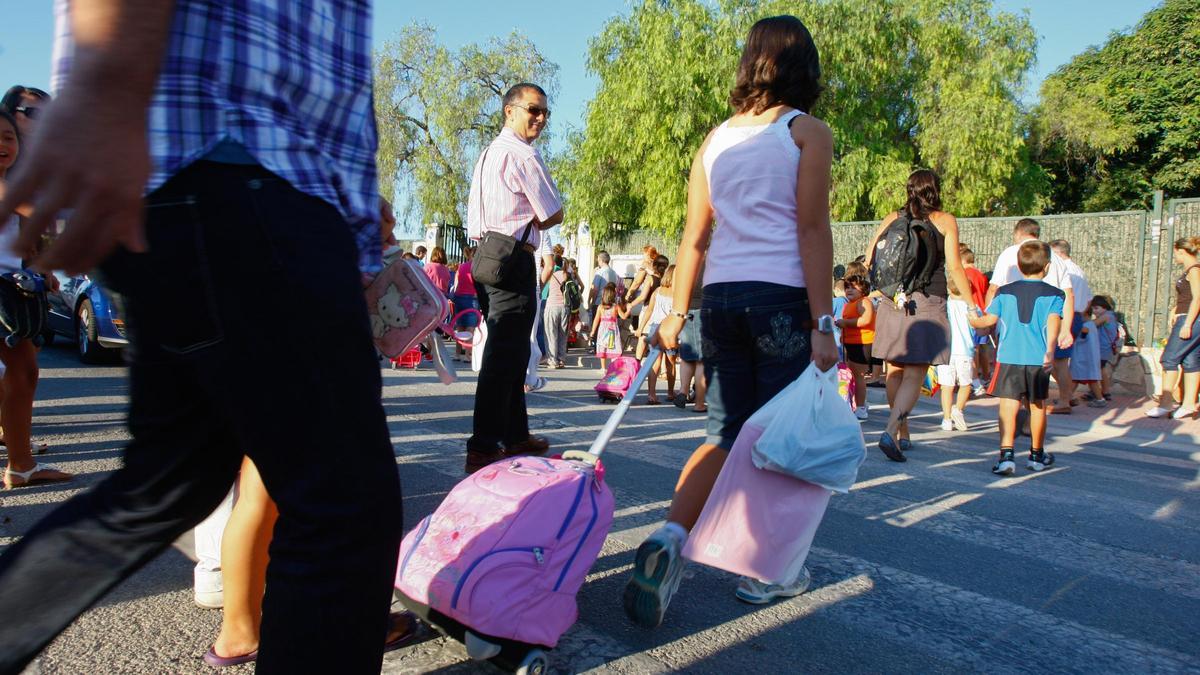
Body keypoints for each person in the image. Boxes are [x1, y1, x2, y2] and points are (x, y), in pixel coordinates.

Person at [0, 3, 405, 672]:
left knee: (167, 482)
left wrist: (350, 205)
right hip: (237, 167)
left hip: (210, 182)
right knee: (342, 506)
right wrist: (108, 83)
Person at [623, 15, 836, 626]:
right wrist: (824, 322)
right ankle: (773, 573)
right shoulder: (806, 133)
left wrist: (673, 312)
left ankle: (668, 537)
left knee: (723, 432)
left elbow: (693, 238)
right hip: (782, 300)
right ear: (804, 67)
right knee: (781, 436)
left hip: (719, 300)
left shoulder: (715, 140)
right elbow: (812, 229)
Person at [464, 82, 561, 473]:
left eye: (544, 113)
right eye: (533, 110)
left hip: (486, 254)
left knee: (510, 349)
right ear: (510, 111)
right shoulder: (522, 154)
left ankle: (516, 434)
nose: (539, 118)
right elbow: (553, 212)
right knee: (505, 354)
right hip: (513, 257)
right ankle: (484, 444)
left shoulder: (488, 154)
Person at [865, 169, 976, 462]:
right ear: (935, 190)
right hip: (927, 301)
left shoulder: (892, 218)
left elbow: (869, 259)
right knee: (915, 372)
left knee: (894, 370)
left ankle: (903, 433)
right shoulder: (944, 220)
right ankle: (891, 430)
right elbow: (954, 267)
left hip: (892, 301)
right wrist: (971, 303)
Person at [0, 111, 69, 489]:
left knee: (24, 373)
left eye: (9, 137)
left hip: (10, 288)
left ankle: (21, 466)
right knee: (22, 372)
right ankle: (20, 466)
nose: (4, 144)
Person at [969, 241, 1064, 475]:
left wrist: (972, 315)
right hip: (1038, 359)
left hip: (1009, 357)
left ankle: (1006, 457)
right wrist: (1050, 351)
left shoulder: (1004, 291)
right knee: (1037, 406)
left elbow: (987, 322)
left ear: (1019, 266)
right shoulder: (1055, 294)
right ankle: (1036, 456)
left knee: (1008, 407)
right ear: (1048, 266)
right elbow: (1053, 325)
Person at [987, 220, 1075, 412]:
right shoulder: (1055, 257)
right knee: (1048, 368)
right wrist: (1066, 328)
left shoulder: (1011, 253)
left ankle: (1009, 434)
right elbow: (1068, 293)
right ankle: (1060, 403)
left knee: (1012, 382)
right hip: (1046, 324)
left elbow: (994, 287)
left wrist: (989, 319)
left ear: (1018, 232)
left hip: (1014, 326)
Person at [1146, 236, 1200, 419]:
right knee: (1191, 361)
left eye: (1175, 252)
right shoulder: (1191, 270)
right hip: (1189, 318)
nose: (1174, 256)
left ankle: (1166, 403)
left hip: (1191, 320)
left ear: (1181, 251)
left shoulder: (1194, 270)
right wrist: (1174, 310)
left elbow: (1198, 297)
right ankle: (1189, 404)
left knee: (1169, 359)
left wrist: (1187, 323)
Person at [1047, 239, 1092, 413]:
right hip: (1077, 316)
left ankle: (1065, 400)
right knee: (1059, 361)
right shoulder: (1079, 270)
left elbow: (1065, 295)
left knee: (1058, 362)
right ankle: (1068, 396)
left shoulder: (1062, 269)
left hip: (1065, 317)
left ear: (1058, 252)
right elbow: (1088, 299)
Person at [936, 277, 976, 432]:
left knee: (947, 386)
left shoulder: (945, 306)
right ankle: (958, 408)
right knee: (966, 384)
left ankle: (946, 419)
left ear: (949, 289)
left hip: (945, 350)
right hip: (965, 350)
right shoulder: (971, 307)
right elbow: (979, 327)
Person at [836, 274, 874, 421]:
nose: (849, 289)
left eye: (853, 286)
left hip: (862, 342)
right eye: (847, 287)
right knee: (851, 375)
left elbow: (866, 319)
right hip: (850, 343)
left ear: (863, 288)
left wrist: (845, 323)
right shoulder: (848, 304)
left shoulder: (864, 302)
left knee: (858, 376)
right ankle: (855, 404)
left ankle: (861, 407)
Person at [674, 261, 707, 413]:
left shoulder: (684, 263)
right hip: (703, 310)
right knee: (701, 360)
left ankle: (683, 391)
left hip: (684, 312)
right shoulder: (712, 263)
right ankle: (699, 403)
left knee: (687, 356)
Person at [643, 264, 677, 404]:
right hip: (669, 329)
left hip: (654, 327)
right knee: (670, 363)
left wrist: (641, 327)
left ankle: (652, 394)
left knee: (654, 363)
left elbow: (649, 310)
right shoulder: (677, 294)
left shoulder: (657, 291)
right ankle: (670, 392)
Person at [960, 245, 992, 392]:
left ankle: (974, 379)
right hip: (982, 312)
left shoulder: (965, 274)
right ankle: (985, 376)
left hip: (971, 312)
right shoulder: (981, 275)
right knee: (982, 347)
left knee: (972, 349)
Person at [630, 255, 666, 360]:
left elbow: (643, 296)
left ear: (654, 265)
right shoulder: (664, 280)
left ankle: (637, 362)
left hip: (648, 309)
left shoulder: (651, 278)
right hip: (660, 311)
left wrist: (631, 304)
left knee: (643, 337)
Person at [591, 283, 630, 372]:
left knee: (603, 347)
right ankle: (614, 366)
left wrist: (593, 331)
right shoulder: (615, 307)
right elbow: (623, 317)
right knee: (613, 347)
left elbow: (596, 320)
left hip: (602, 331)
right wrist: (628, 310)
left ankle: (603, 367)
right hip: (612, 331)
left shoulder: (600, 307)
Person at [451, 246, 479, 361]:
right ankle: (468, 354)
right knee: (470, 328)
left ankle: (457, 354)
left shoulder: (461, 266)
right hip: (472, 298)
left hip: (459, 297)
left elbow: (456, 283)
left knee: (460, 327)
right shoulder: (477, 267)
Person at [543, 254, 570, 369]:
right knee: (563, 334)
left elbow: (544, 293)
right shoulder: (567, 274)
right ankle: (561, 360)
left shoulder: (551, 275)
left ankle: (552, 361)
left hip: (552, 306)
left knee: (551, 334)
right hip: (565, 307)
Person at [1090, 295, 1120, 400]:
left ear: (1105, 307)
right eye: (1092, 309)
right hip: (1103, 348)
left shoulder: (1107, 316)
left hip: (1103, 348)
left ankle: (1103, 391)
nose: (1094, 311)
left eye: (1096, 308)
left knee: (1100, 370)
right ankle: (1101, 391)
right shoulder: (1110, 315)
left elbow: (1093, 324)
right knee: (1100, 369)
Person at [589, 250, 622, 320]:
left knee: (597, 326)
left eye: (598, 260)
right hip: (611, 303)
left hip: (599, 303)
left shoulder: (600, 272)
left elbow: (595, 289)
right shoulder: (614, 273)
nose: (598, 262)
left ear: (601, 260)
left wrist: (593, 302)